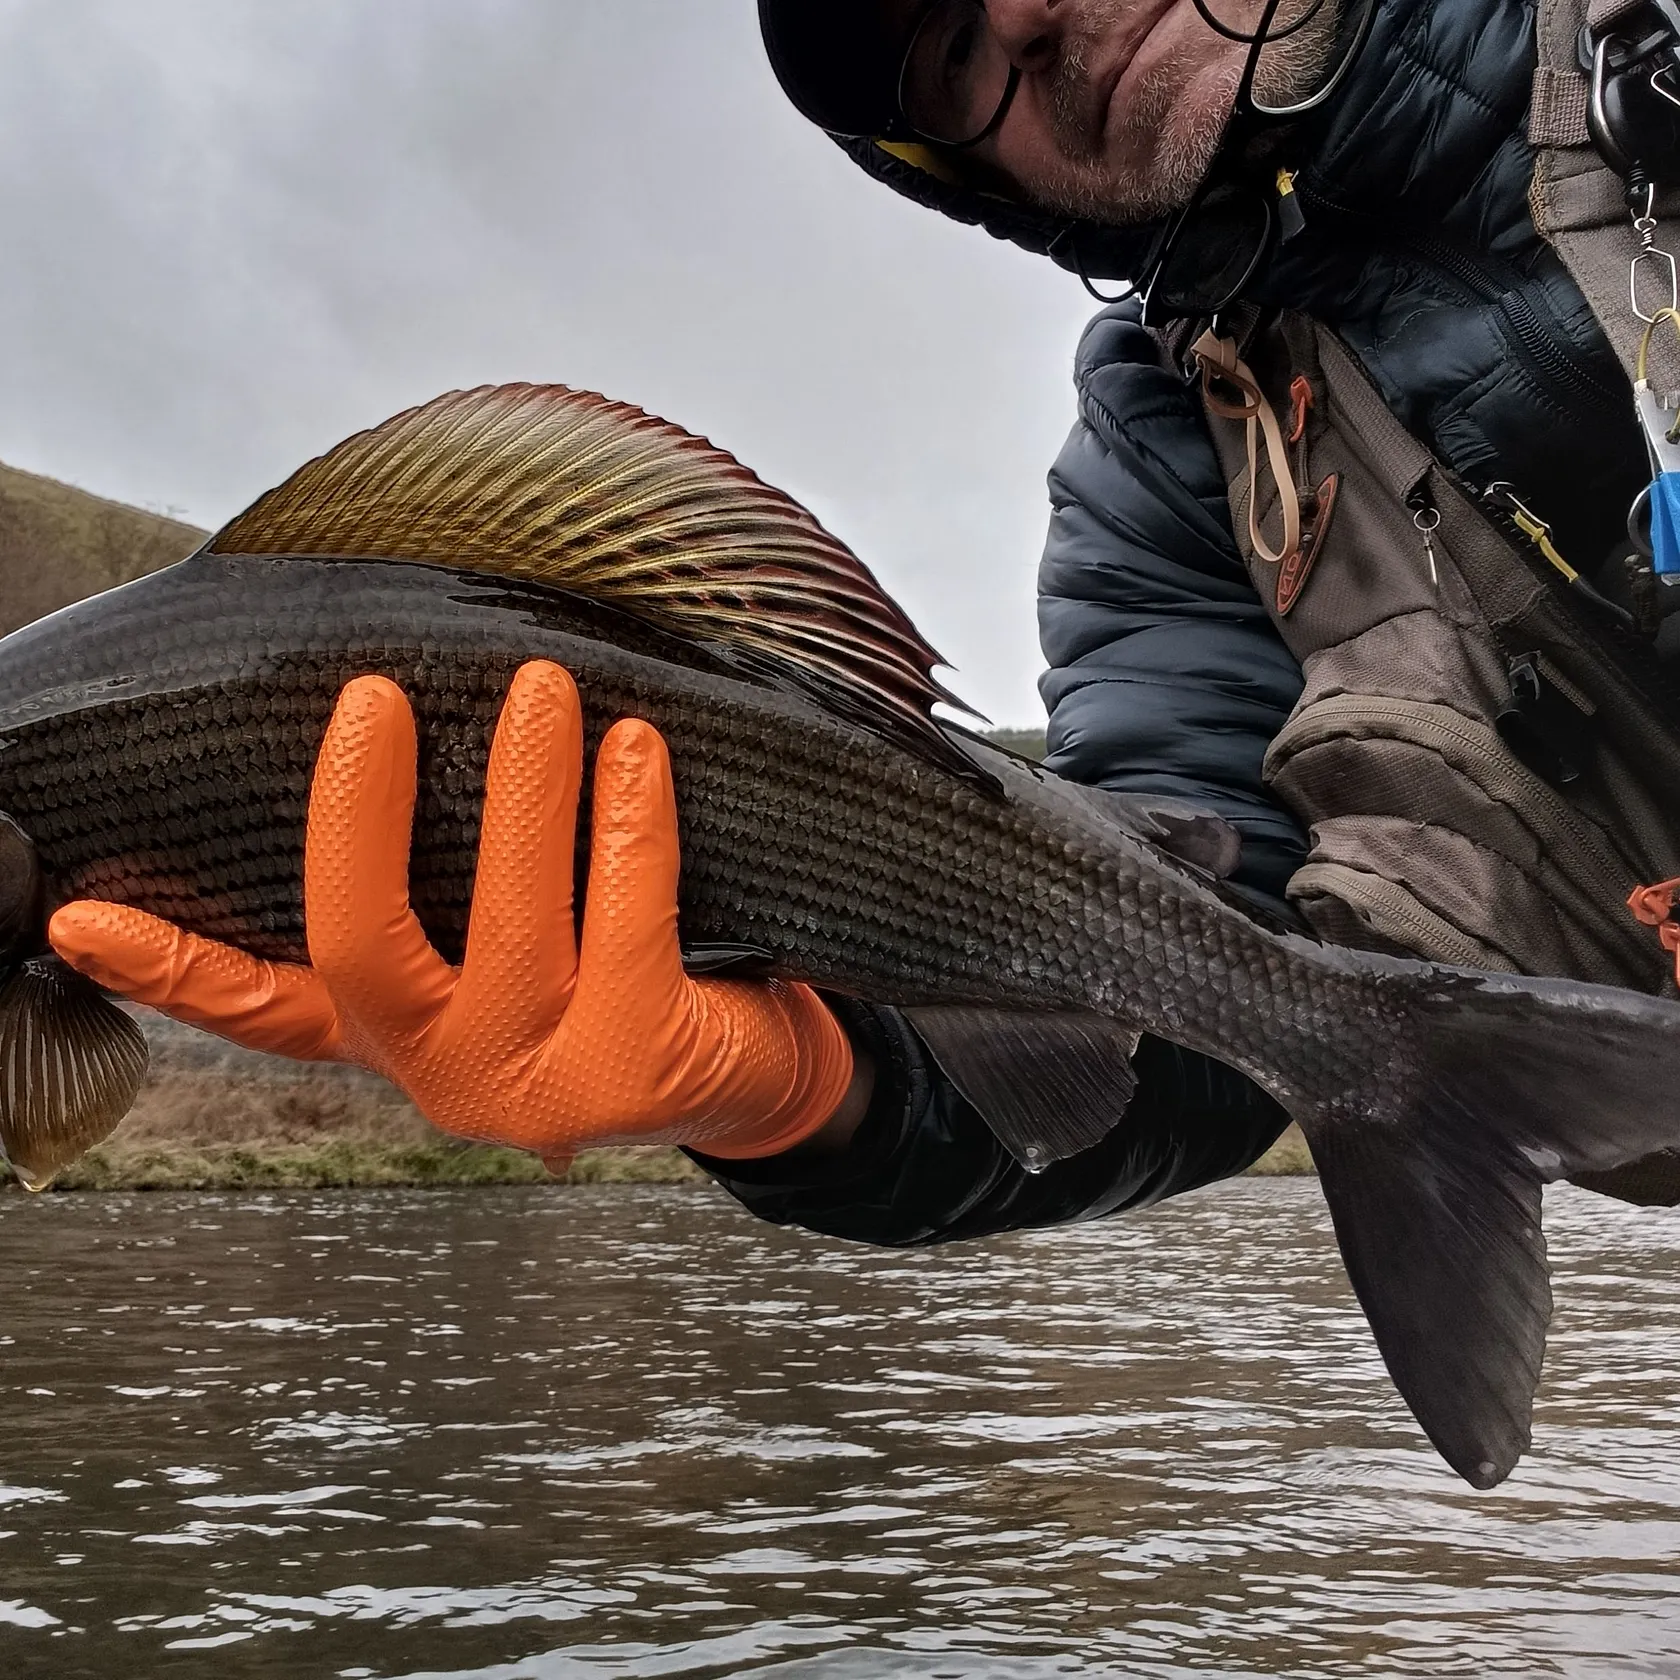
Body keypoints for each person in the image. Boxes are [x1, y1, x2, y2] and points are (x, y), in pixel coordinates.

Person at [47, 0, 1680, 1224]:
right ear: (966, 177)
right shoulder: (1167, 469)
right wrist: (803, 1090)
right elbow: (1193, 1003)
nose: (1024, 13)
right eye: (949, 49)